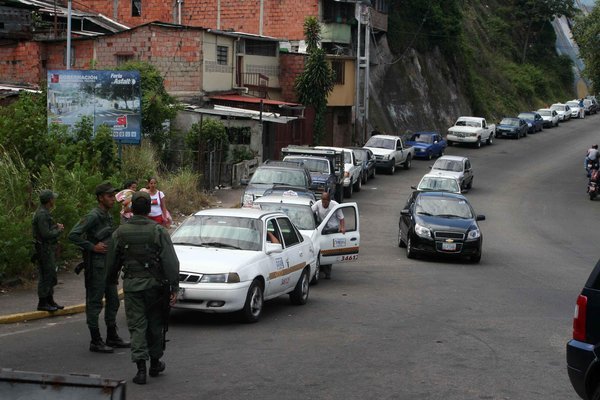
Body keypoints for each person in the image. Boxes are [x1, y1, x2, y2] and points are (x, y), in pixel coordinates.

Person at [106, 191, 180, 385]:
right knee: (156, 324)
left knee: (137, 326)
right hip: (156, 287)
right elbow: (171, 262)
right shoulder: (159, 231)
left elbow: (112, 262)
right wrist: (174, 287)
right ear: (149, 208)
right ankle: (155, 363)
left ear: (131, 208)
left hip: (132, 286)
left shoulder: (120, 232)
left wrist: (111, 280)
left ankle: (141, 369)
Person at [68, 182, 130, 353]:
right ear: (100, 198)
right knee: (95, 303)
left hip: (108, 265)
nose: (113, 199)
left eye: (113, 196)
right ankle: (95, 340)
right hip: (96, 266)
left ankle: (112, 336)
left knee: (114, 301)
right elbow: (73, 235)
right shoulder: (94, 215)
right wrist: (91, 247)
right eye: (109, 196)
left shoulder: (108, 215)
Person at [32, 189, 65, 312]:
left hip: (47, 248)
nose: (54, 200)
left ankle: (50, 299)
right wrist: (58, 231)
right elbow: (45, 234)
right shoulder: (42, 214)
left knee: (51, 274)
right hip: (44, 249)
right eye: (53, 198)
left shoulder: (44, 213)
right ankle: (43, 301)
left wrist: (55, 226)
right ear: (50, 200)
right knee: (46, 274)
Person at [311, 192, 345, 279]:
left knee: (328, 249)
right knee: (319, 248)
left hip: (332, 228)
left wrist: (342, 228)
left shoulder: (335, 205)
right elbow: (310, 212)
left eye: (325, 201)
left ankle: (327, 272)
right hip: (321, 227)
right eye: (323, 200)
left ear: (329, 201)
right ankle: (321, 267)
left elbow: (341, 218)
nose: (324, 203)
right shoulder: (318, 204)